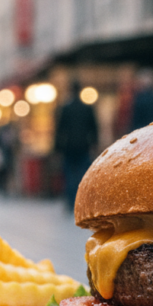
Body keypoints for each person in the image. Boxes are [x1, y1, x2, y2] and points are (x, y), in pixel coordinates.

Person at [54, 81, 98, 211]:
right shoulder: (87, 108)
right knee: (83, 176)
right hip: (84, 146)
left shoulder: (65, 108)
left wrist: (57, 148)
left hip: (68, 147)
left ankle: (71, 201)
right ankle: (82, 201)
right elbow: (94, 128)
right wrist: (94, 144)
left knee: (69, 175)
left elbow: (60, 130)